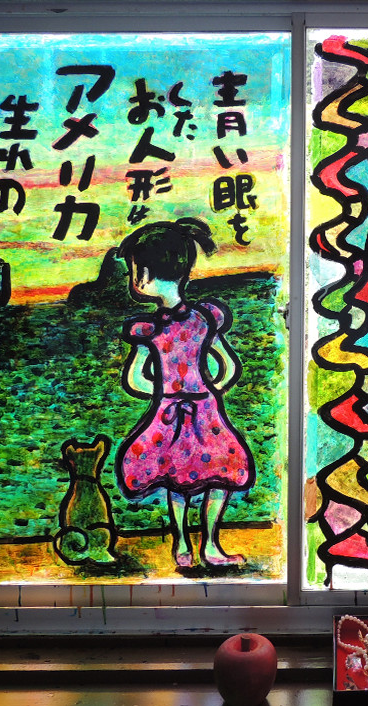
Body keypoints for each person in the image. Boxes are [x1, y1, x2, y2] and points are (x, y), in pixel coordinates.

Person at [114, 218, 253, 568]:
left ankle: (202, 546)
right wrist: (196, 392)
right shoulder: (153, 327)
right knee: (179, 475)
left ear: (145, 275)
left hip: (188, 410)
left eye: (136, 272)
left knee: (217, 472)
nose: (136, 281)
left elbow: (137, 380)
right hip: (190, 409)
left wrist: (174, 394)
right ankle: (186, 543)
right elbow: (227, 368)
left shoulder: (200, 319)